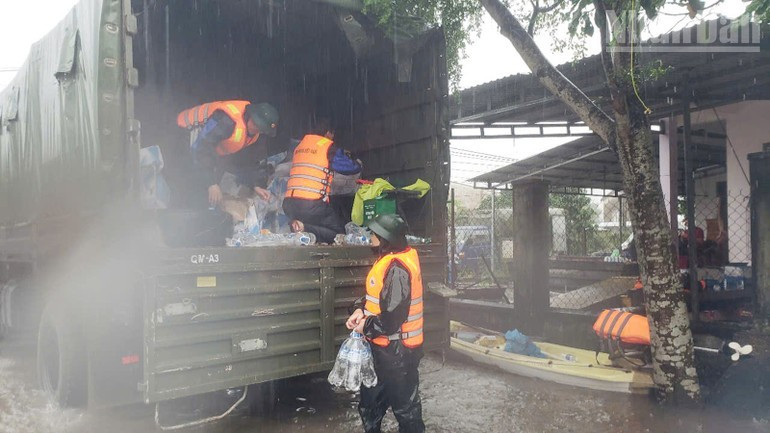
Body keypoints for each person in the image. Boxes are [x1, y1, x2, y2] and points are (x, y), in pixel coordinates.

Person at [345, 214, 425, 433]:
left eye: (374, 233)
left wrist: (365, 326)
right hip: (382, 350)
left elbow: (391, 318)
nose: (370, 237)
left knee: (406, 411)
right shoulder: (390, 261)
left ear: (385, 238)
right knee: (370, 406)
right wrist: (359, 309)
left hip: (397, 353)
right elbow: (378, 300)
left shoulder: (397, 268)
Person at [176, 100, 279, 207]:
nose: (257, 130)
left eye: (260, 130)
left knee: (208, 183)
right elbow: (202, 147)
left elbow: (249, 161)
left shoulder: (253, 134)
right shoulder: (227, 121)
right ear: (251, 117)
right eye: (256, 126)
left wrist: (256, 185)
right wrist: (211, 183)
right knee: (186, 184)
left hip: (203, 146)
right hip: (182, 132)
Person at [282, 119, 361, 243]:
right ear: (328, 133)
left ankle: (301, 227)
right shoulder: (328, 147)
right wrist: (354, 160)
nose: (333, 138)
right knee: (339, 234)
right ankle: (303, 227)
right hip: (311, 204)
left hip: (289, 204)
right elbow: (351, 168)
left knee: (316, 222)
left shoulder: (300, 146)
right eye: (333, 134)